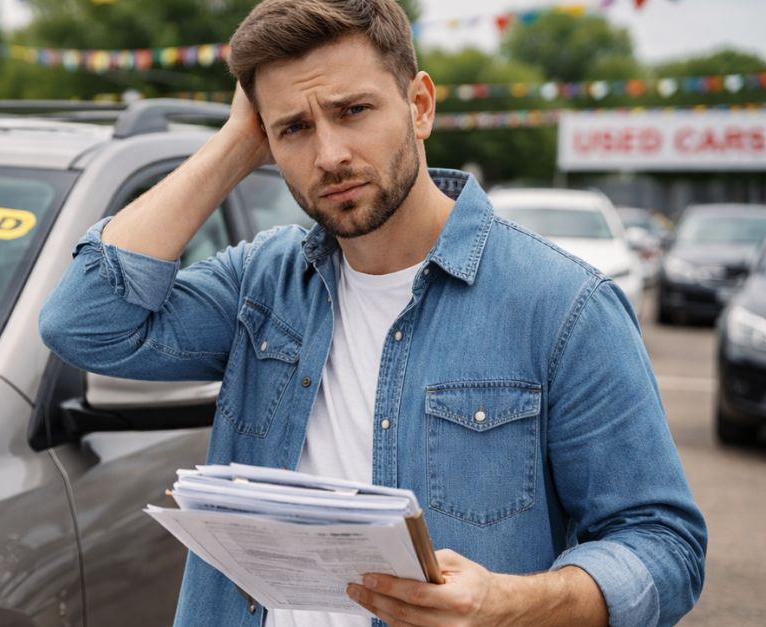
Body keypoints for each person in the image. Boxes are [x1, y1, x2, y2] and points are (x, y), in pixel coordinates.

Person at [38, 1, 706, 625]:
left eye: (353, 110)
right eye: (295, 128)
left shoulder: (562, 306)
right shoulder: (260, 284)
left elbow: (663, 544)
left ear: (419, 105)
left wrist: (511, 602)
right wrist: (239, 141)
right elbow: (86, 318)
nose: (328, 155)